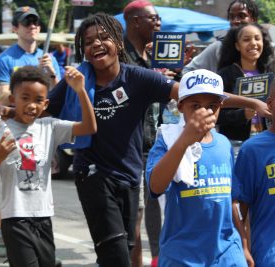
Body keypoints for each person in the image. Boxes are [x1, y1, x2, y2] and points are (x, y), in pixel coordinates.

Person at [0, 13, 270, 266]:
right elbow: (39, 108)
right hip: (93, 174)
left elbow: (194, 95)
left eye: (104, 38)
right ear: (82, 50)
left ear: (118, 43)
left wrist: (252, 103)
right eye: (88, 41)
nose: (96, 44)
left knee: (126, 247)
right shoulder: (76, 81)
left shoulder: (138, 78)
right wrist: (7, 110)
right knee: (115, 253)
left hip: (130, 176)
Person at [0, 65, 96, 266]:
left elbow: (89, 127)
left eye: (38, 100)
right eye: (25, 98)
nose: (32, 105)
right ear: (12, 99)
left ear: (46, 103)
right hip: (14, 218)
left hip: (43, 217)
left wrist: (80, 90)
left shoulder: (50, 126)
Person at [146, 69, 248, 266]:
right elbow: (155, 187)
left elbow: (231, 199)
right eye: (196, 105)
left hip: (227, 252)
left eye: (212, 106)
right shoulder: (168, 141)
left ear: (221, 106)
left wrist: (243, 243)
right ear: (181, 106)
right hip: (183, 256)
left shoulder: (224, 144)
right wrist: (185, 140)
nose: (205, 112)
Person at [122, 1, 165, 266]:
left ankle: (157, 259)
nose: (159, 23)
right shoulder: (120, 59)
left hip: (153, 145)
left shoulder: (151, 58)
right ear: (136, 22)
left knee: (155, 209)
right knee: (135, 215)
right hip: (129, 148)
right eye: (154, 18)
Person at [232, 73, 275, 267]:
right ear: (270, 104)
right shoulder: (253, 150)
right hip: (271, 258)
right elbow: (239, 208)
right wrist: (243, 248)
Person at [183, 0, 275, 74]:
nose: (235, 21)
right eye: (232, 17)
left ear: (253, 19)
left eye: (241, 16)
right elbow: (188, 71)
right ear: (237, 46)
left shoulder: (271, 47)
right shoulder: (218, 47)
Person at [217, 23, 275, 141]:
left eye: (257, 38)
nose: (253, 43)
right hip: (235, 142)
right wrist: (242, 115)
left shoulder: (271, 73)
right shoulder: (225, 75)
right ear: (237, 46)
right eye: (246, 39)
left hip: (267, 139)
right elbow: (214, 112)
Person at [0, 6, 61, 106]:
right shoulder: (4, 59)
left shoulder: (50, 59)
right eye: (27, 22)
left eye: (35, 22)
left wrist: (52, 75)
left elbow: (59, 96)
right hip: (15, 119)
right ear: (15, 28)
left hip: (44, 119)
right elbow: (2, 99)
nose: (32, 26)